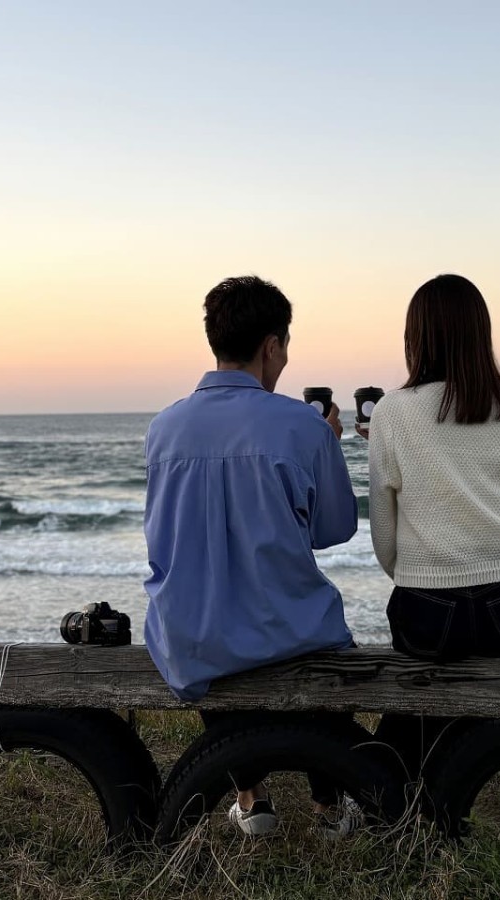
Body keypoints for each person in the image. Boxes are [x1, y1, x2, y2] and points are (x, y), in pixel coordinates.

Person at [143, 275, 361, 836]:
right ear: (272, 346)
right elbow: (333, 530)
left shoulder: (162, 428)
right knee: (320, 637)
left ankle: (253, 798)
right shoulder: (302, 425)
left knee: (205, 621)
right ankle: (329, 808)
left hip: (191, 636)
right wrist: (326, 445)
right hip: (289, 629)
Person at [361, 273, 500, 775]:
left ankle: (387, 794)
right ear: (480, 334)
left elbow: (382, 533)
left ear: (416, 337)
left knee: (413, 713)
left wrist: (414, 573)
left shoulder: (393, 413)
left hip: (429, 604)